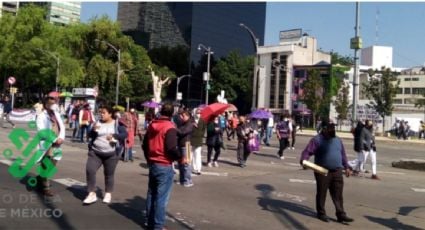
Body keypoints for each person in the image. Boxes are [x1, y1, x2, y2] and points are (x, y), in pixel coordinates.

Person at [300, 119, 354, 223]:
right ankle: (321, 213)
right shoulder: (317, 140)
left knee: (338, 194)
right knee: (322, 193)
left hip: (337, 171)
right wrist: (304, 160)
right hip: (322, 171)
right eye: (331, 127)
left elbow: (343, 155)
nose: (333, 129)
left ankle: (341, 214)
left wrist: (346, 167)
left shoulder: (338, 140)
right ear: (324, 129)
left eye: (334, 127)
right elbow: (307, 151)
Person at [142, 102, 181, 230]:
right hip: (164, 164)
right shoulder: (169, 127)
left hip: (153, 162)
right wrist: (181, 157)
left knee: (151, 194)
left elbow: (144, 145)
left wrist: (148, 158)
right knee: (161, 197)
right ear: (172, 113)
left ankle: (149, 220)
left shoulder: (153, 124)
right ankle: (158, 225)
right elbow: (171, 148)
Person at [83, 104, 127, 204]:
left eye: (104, 113)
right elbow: (89, 135)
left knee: (109, 174)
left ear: (110, 114)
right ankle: (91, 193)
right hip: (95, 152)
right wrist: (93, 131)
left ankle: (108, 193)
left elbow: (124, 135)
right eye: (100, 113)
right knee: (90, 170)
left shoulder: (117, 124)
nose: (101, 115)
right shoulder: (97, 122)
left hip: (111, 154)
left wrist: (115, 136)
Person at [36, 96, 65, 196]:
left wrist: (61, 138)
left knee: (52, 165)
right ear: (46, 105)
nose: (54, 105)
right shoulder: (41, 116)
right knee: (46, 166)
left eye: (55, 102)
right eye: (52, 103)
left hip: (57, 144)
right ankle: (46, 188)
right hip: (47, 144)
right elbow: (42, 132)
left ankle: (40, 179)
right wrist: (54, 139)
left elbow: (62, 127)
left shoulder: (56, 114)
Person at [177, 110, 194, 187]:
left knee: (186, 164)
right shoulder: (182, 123)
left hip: (187, 145)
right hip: (181, 145)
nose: (181, 117)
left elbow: (182, 132)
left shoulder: (190, 124)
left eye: (183, 116)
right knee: (180, 163)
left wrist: (175, 128)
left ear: (188, 116)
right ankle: (182, 179)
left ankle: (188, 181)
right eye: (181, 116)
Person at [191, 109, 206, 175]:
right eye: (197, 113)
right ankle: (193, 167)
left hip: (199, 140)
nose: (198, 114)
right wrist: (192, 125)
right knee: (192, 155)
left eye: (200, 113)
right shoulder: (191, 120)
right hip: (191, 139)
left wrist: (201, 135)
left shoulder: (203, 121)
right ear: (194, 113)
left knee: (198, 155)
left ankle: (199, 169)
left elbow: (203, 130)